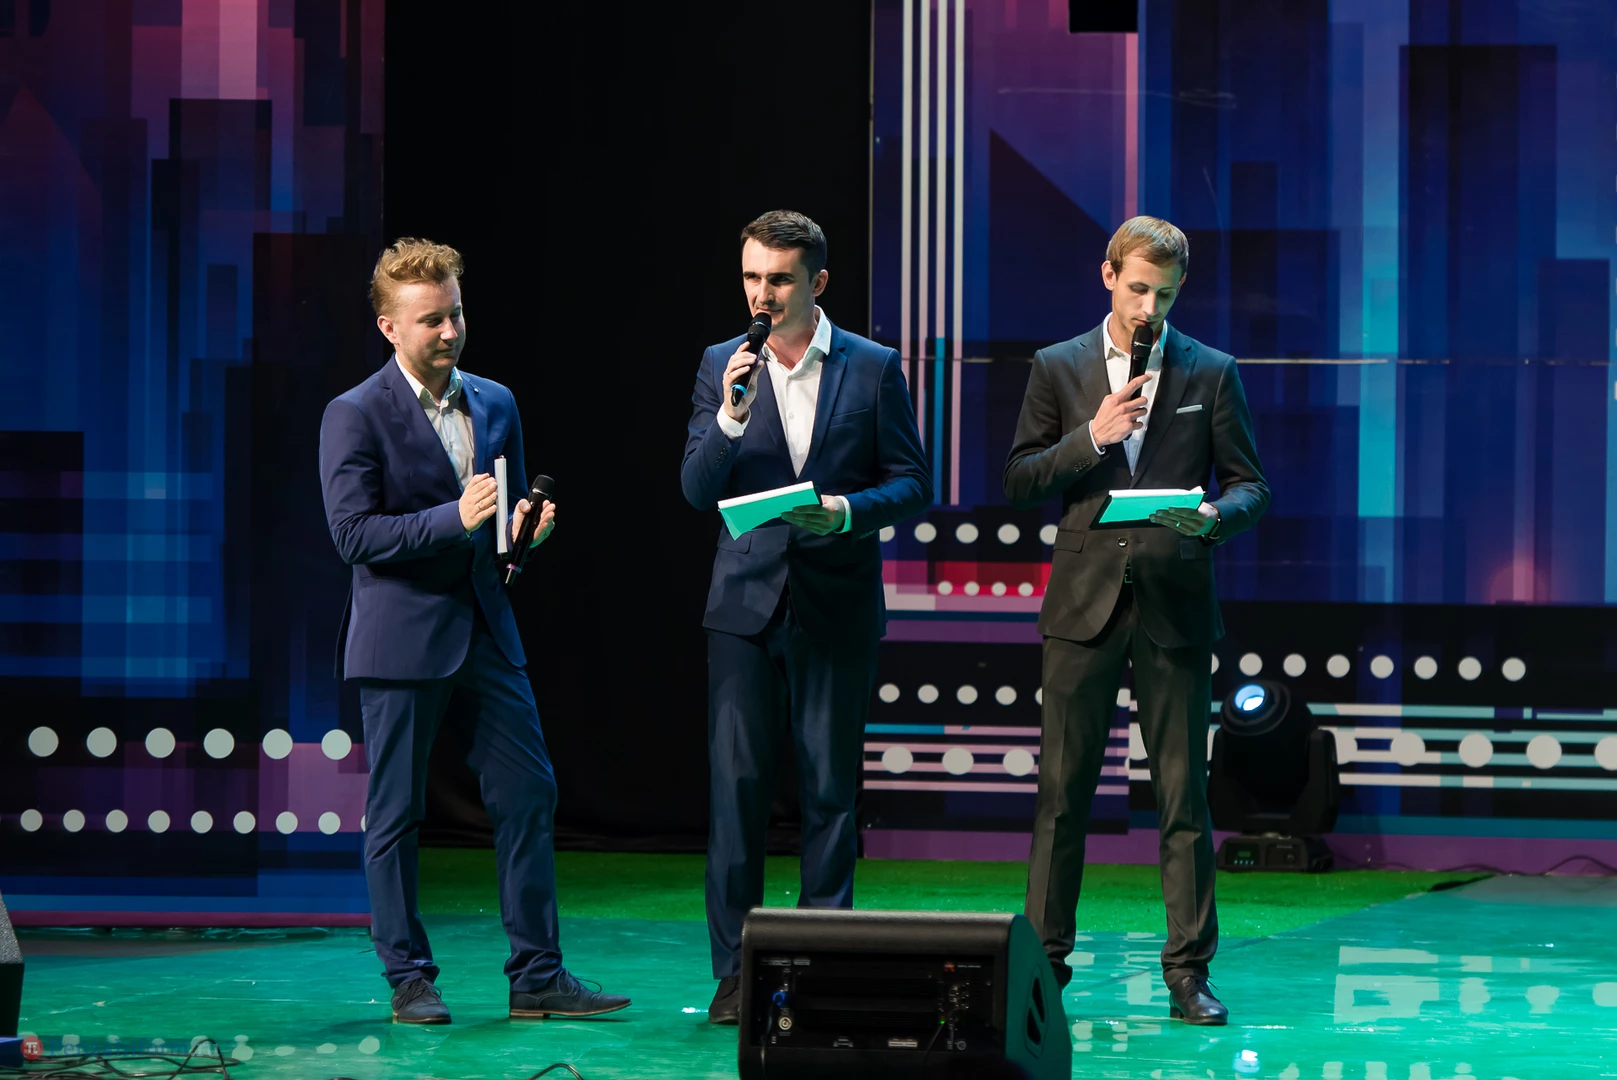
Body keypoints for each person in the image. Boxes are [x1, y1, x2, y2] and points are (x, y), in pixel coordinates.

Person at [318, 238, 630, 1024]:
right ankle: (408, 978)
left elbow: (500, 524)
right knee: (397, 813)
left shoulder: (494, 401)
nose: (450, 331)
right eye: (431, 320)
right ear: (390, 327)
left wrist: (525, 531)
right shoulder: (354, 413)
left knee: (530, 791)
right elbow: (353, 535)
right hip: (400, 638)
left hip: (486, 627)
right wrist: (452, 518)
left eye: (455, 314)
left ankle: (537, 976)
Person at [1003, 216, 1269, 1025]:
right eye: (1138, 288)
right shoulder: (1058, 366)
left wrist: (1214, 517)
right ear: (1108, 276)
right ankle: (1044, 968)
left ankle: (1188, 972)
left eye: (1165, 294)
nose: (1149, 307)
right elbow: (1020, 479)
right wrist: (1091, 436)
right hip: (1081, 605)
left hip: (1173, 602)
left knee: (1184, 797)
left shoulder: (1211, 371)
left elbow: (1249, 485)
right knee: (1062, 797)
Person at [681, 210, 931, 1023]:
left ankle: (822, 961)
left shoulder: (871, 366)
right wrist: (729, 416)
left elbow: (911, 482)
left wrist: (845, 511)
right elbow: (696, 488)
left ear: (816, 282)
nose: (762, 294)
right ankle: (734, 972)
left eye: (779, 279)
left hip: (835, 604)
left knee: (829, 793)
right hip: (744, 610)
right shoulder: (721, 363)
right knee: (736, 795)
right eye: (751, 277)